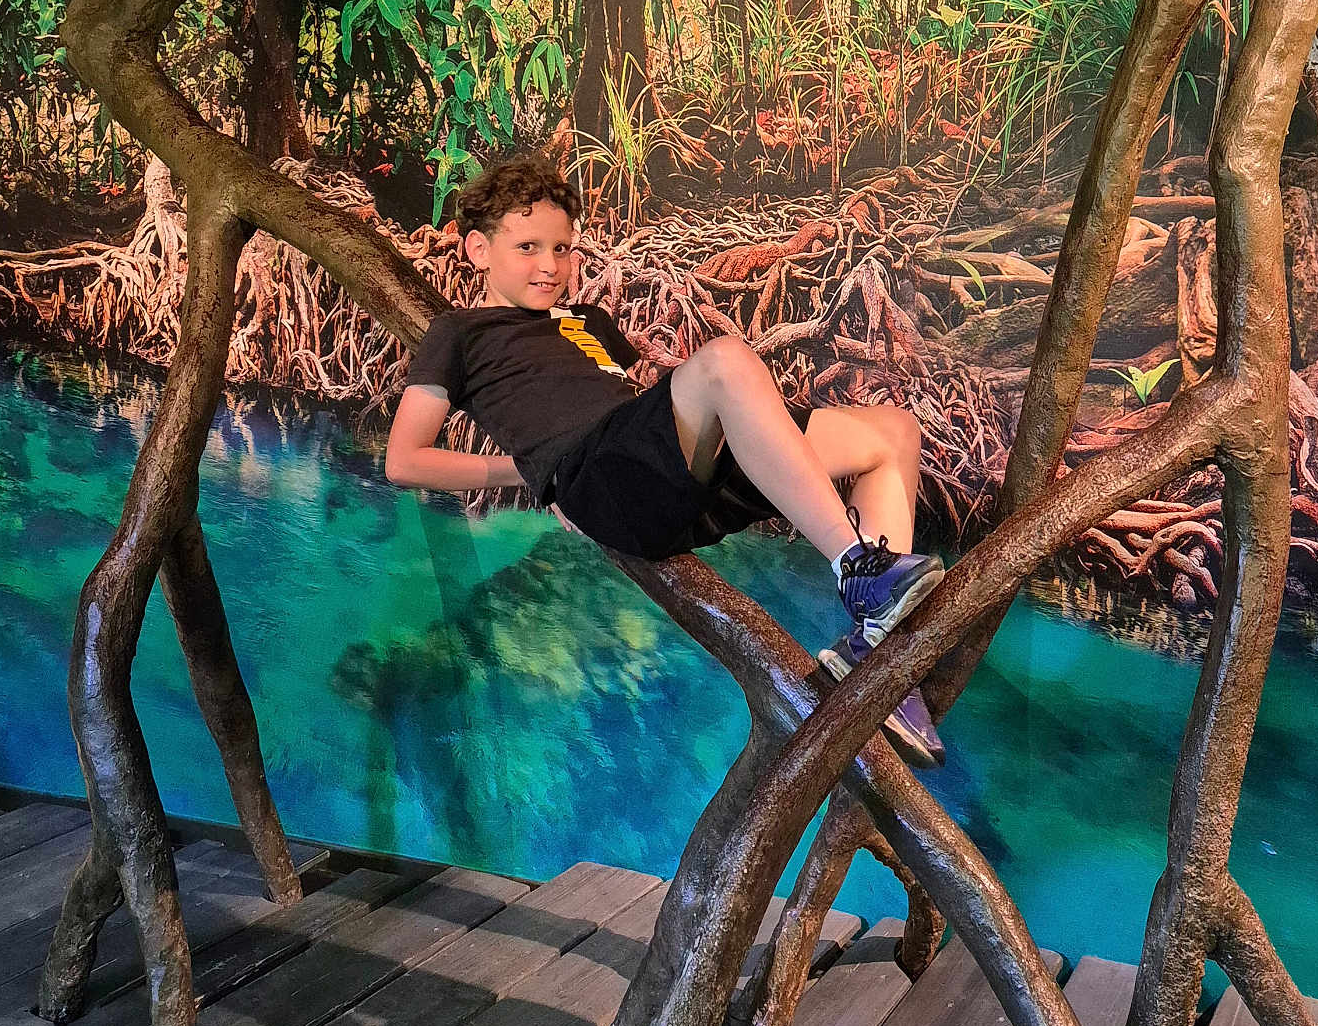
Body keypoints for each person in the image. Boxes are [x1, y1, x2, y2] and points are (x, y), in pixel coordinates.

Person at [384, 150, 947, 765]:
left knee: (892, 432)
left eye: (562, 249)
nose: (550, 267)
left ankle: (885, 658)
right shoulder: (458, 334)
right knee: (726, 360)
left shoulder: (588, 320)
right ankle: (857, 570)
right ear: (477, 250)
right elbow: (405, 459)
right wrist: (527, 473)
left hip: (659, 472)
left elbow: (628, 403)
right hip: (602, 478)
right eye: (527, 248)